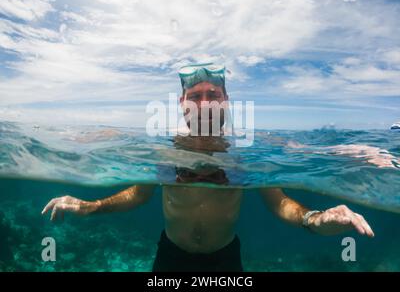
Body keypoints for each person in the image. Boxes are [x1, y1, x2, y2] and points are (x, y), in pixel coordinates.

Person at [42, 63, 375, 272]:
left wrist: (315, 218)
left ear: (226, 101)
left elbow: (281, 201)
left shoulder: (248, 150)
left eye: (213, 94)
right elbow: (138, 194)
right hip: (170, 255)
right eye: (195, 95)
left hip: (224, 259)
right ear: (181, 103)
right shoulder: (163, 150)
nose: (205, 103)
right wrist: (93, 206)